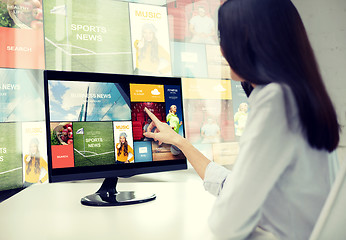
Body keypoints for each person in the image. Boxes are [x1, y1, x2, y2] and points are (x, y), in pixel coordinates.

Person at [142, 0, 340, 239]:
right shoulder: (300, 94)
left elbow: (227, 224)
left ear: (249, 41)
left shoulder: (276, 101)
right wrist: (180, 142)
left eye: (224, 37)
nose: (222, 50)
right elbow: (237, 185)